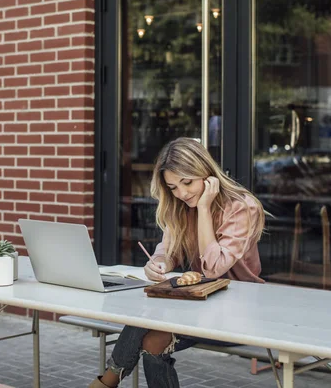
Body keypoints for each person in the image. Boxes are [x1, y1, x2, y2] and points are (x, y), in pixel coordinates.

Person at [89, 137, 266, 388]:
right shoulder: (179, 207)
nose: (182, 193)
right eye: (173, 187)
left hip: (239, 307)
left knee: (150, 332)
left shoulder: (241, 207)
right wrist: (159, 263)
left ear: (206, 173)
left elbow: (214, 268)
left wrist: (204, 209)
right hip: (197, 302)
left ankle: (105, 383)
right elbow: (168, 251)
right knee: (150, 334)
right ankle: (107, 382)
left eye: (187, 182)